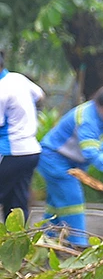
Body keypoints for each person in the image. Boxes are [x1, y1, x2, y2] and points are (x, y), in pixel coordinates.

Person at [38, 87, 103, 246]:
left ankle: (46, 237)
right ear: (98, 105)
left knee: (57, 202)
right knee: (72, 202)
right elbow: (91, 153)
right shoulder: (87, 120)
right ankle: (78, 244)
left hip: (72, 160)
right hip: (55, 159)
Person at [0, 55, 45, 223]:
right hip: (31, 151)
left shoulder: (1, 90)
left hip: (10, 152)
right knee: (17, 201)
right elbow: (40, 96)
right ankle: (18, 241)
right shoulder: (17, 78)